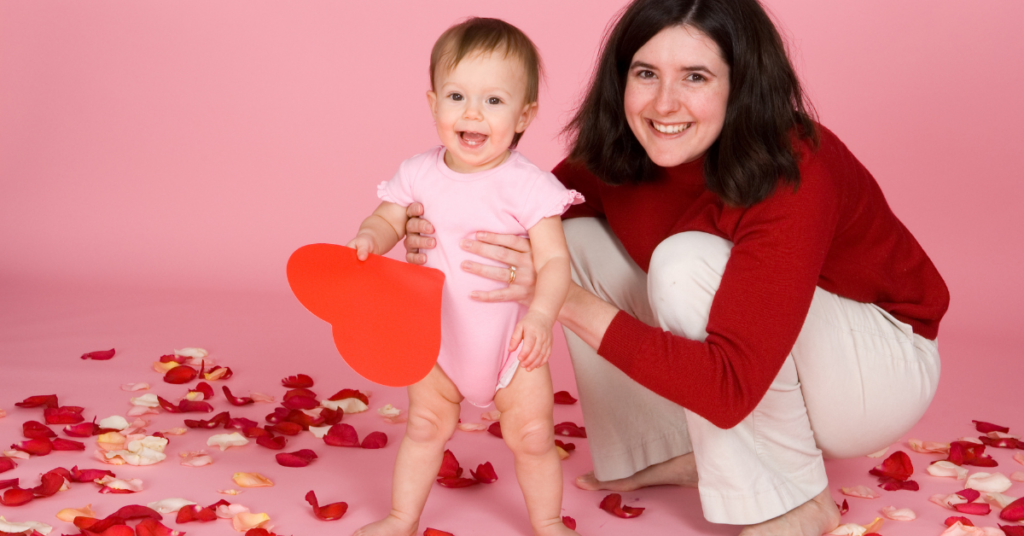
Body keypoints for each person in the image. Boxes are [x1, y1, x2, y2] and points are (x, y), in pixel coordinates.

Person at [401, 1, 950, 535]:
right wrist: (435, 229)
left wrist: (561, 296)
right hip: (782, 357)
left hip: (876, 370)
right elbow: (521, 222)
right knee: (569, 236)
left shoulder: (794, 168)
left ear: (742, 84)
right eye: (646, 73)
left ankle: (799, 500)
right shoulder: (624, 150)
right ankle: (666, 447)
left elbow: (730, 384)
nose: (664, 104)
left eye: (695, 76)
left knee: (686, 261)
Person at [346, 17, 583, 536]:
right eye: (457, 96)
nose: (473, 112)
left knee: (535, 434)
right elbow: (388, 218)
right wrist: (369, 237)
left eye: (494, 102)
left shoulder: (528, 186)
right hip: (437, 340)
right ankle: (401, 519)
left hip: (511, 344)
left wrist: (541, 317)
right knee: (426, 427)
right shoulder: (418, 172)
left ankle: (547, 522)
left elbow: (554, 261)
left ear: (525, 115)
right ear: (433, 104)